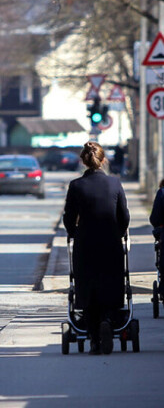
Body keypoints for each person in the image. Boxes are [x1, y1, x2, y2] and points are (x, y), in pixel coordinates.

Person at [63, 141, 130, 355]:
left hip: (85, 245)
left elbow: (69, 218)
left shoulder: (76, 186)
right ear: (104, 160)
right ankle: (109, 320)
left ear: (83, 161)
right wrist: (117, 233)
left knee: (88, 288)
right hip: (110, 243)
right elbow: (124, 216)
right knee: (111, 283)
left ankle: (93, 338)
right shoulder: (115, 183)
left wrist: (75, 234)